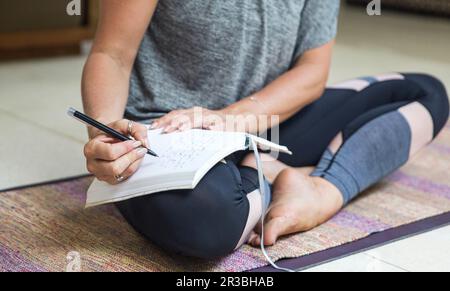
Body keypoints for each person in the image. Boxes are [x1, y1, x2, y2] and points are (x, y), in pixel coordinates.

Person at [81, 0, 449, 259]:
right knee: (210, 223)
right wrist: (106, 133)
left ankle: (322, 192)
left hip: (265, 121)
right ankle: (267, 172)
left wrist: (232, 119)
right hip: (166, 132)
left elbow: (312, 72)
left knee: (425, 93)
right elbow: (111, 54)